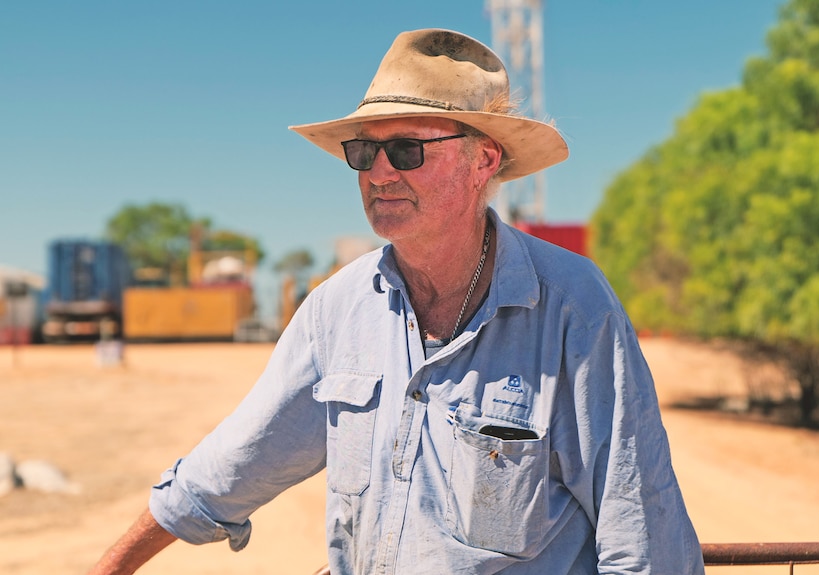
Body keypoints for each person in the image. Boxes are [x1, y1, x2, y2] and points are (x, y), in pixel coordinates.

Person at [89, 28, 705, 574]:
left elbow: (644, 540)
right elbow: (232, 466)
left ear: (481, 160)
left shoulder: (572, 306)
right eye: (364, 152)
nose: (380, 172)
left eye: (407, 150)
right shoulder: (338, 310)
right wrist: (113, 566)